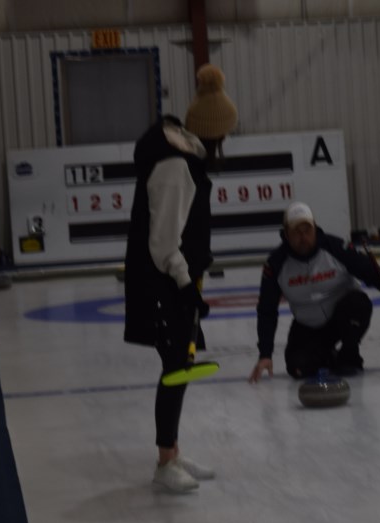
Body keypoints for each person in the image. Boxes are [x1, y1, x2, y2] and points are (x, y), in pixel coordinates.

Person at [123, 63, 238, 493]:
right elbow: (162, 244)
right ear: (213, 132)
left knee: (182, 362)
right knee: (175, 364)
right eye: (224, 134)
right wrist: (186, 284)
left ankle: (172, 449)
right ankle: (164, 462)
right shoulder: (175, 168)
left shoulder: (186, 158)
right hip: (162, 281)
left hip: (174, 278)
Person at [248, 202, 380, 383]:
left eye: (307, 230)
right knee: (298, 368)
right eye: (296, 232)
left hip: (343, 316)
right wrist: (265, 354)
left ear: (315, 229)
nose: (303, 237)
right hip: (307, 325)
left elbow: (368, 270)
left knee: (358, 303)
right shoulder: (276, 264)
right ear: (286, 234)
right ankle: (328, 356)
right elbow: (267, 310)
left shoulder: (335, 247)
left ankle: (350, 354)